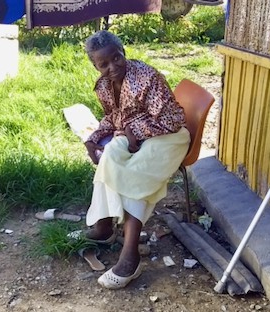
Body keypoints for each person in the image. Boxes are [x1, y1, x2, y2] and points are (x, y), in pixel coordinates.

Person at [82, 30, 190, 289]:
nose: (112, 67)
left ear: (123, 53)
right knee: (109, 156)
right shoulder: (105, 86)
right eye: (103, 64)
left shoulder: (147, 78)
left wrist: (136, 132)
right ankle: (104, 226)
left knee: (135, 173)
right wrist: (94, 137)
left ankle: (130, 256)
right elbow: (114, 117)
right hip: (135, 137)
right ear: (95, 66)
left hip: (169, 138)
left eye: (116, 59)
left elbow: (173, 120)